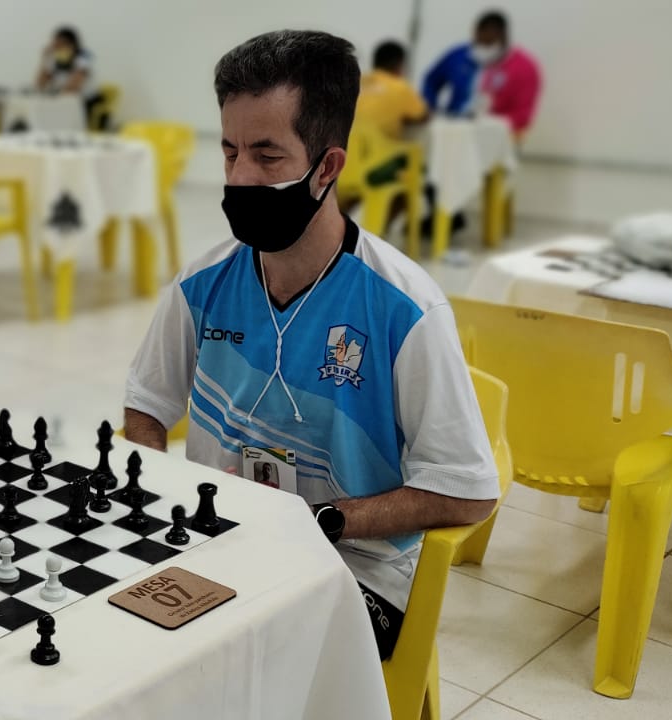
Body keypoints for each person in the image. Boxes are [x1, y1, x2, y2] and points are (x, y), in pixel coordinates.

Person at [122, 30, 499, 661]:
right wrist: (158, 497)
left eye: (267, 156)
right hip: (218, 546)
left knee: (224, 655)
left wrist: (326, 520)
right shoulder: (202, 283)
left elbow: (468, 491)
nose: (240, 178)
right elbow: (145, 407)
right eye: (230, 152)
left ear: (327, 167)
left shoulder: (405, 308)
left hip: (353, 569)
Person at [422, 10, 543, 138]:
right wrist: (430, 107)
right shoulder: (459, 56)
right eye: (480, 42)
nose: (484, 48)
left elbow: (523, 114)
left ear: (504, 38)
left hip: (496, 133)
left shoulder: (524, 68)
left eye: (490, 43)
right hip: (455, 124)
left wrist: (491, 125)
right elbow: (431, 81)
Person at [34, 26, 108, 130]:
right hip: (64, 101)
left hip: (86, 103)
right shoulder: (55, 59)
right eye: (56, 45)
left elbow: (73, 87)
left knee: (54, 114)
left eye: (61, 44)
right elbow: (40, 85)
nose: (58, 48)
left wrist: (55, 100)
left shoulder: (84, 57)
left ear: (72, 44)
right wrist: (45, 59)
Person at [355, 40, 429, 141]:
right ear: (399, 64)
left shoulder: (356, 81)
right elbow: (423, 117)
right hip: (377, 147)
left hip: (344, 145)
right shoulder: (400, 87)